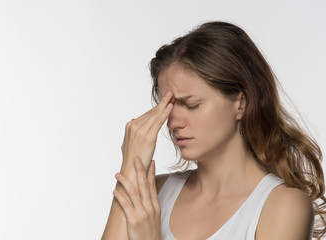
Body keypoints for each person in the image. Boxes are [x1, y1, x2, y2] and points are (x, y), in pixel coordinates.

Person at [101, 21, 325, 240]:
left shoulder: (282, 206)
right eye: (167, 107)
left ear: (240, 102)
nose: (172, 123)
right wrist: (132, 165)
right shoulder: (154, 193)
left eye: (191, 105)